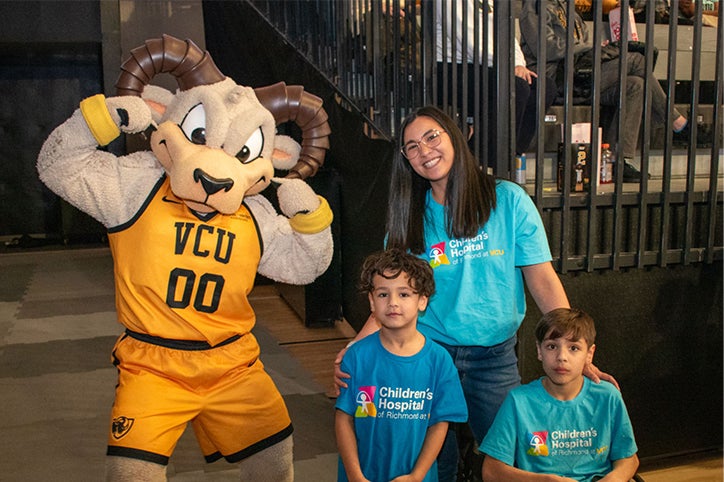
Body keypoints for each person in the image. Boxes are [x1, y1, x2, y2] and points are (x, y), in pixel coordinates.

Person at [334, 106, 617, 482]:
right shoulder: (408, 215)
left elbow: (542, 279)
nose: (425, 151)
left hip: (494, 358)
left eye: (432, 137)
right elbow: (391, 297)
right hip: (428, 356)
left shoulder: (508, 200)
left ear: (455, 136)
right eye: (412, 146)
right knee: (433, 463)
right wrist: (354, 348)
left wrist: (572, 346)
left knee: (510, 463)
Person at [518, 0, 690, 182]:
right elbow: (545, 48)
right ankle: (676, 122)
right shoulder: (536, 4)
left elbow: (580, 48)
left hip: (577, 74)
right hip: (554, 75)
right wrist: (591, 48)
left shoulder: (570, 9)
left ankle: (617, 162)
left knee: (635, 85)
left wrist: (598, 50)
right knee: (636, 61)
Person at [335, 248, 468, 482]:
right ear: (371, 301)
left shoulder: (439, 361)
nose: (393, 303)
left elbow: (440, 424)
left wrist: (417, 476)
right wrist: (355, 475)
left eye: (404, 294)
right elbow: (344, 418)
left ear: (422, 301)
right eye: (383, 295)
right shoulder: (356, 357)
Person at [480, 308, 639, 482]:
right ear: (539, 351)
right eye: (552, 346)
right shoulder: (518, 401)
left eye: (573, 348)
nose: (561, 357)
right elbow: (491, 471)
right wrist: (545, 481)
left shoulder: (608, 397)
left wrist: (613, 480)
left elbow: (629, 459)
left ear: (589, 354)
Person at [435, 0, 558, 160]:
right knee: (516, 87)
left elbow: (508, 36)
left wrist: (519, 64)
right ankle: (484, 159)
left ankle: (510, 156)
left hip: (489, 66)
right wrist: (508, 67)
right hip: (451, 68)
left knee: (544, 88)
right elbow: (469, 39)